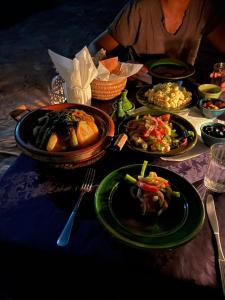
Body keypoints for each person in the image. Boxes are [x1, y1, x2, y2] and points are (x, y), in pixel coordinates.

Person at [88, 0, 225, 90]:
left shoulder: (204, 8)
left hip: (182, 94)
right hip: (140, 93)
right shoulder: (141, 8)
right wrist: (121, 68)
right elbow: (94, 48)